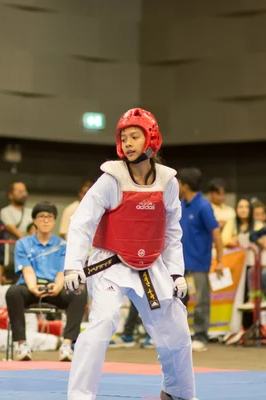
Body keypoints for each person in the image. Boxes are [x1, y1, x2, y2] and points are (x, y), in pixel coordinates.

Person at [64, 108, 197, 400]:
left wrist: (176, 273)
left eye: (134, 136)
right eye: (124, 137)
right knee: (102, 325)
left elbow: (173, 231)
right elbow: (82, 222)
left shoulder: (168, 181)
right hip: (110, 263)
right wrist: (73, 266)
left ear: (151, 139)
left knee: (176, 329)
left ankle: (178, 393)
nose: (127, 143)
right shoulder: (111, 177)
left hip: (151, 265)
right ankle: (80, 397)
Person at [6, 201, 87, 362]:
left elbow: (61, 271)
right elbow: (27, 270)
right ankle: (22, 345)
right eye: (41, 217)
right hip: (31, 288)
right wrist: (33, 287)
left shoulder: (63, 245)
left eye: (49, 217)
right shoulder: (23, 243)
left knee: (79, 292)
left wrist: (57, 287)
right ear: (34, 221)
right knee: (13, 292)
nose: (45, 220)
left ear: (54, 221)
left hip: (54, 288)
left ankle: (67, 344)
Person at [177, 167, 225, 352]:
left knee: (201, 301)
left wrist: (219, 261)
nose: (177, 186)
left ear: (186, 185)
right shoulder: (180, 204)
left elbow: (216, 234)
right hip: (179, 264)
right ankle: (180, 335)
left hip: (198, 263)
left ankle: (201, 335)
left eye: (179, 183)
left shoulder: (204, 206)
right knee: (178, 301)